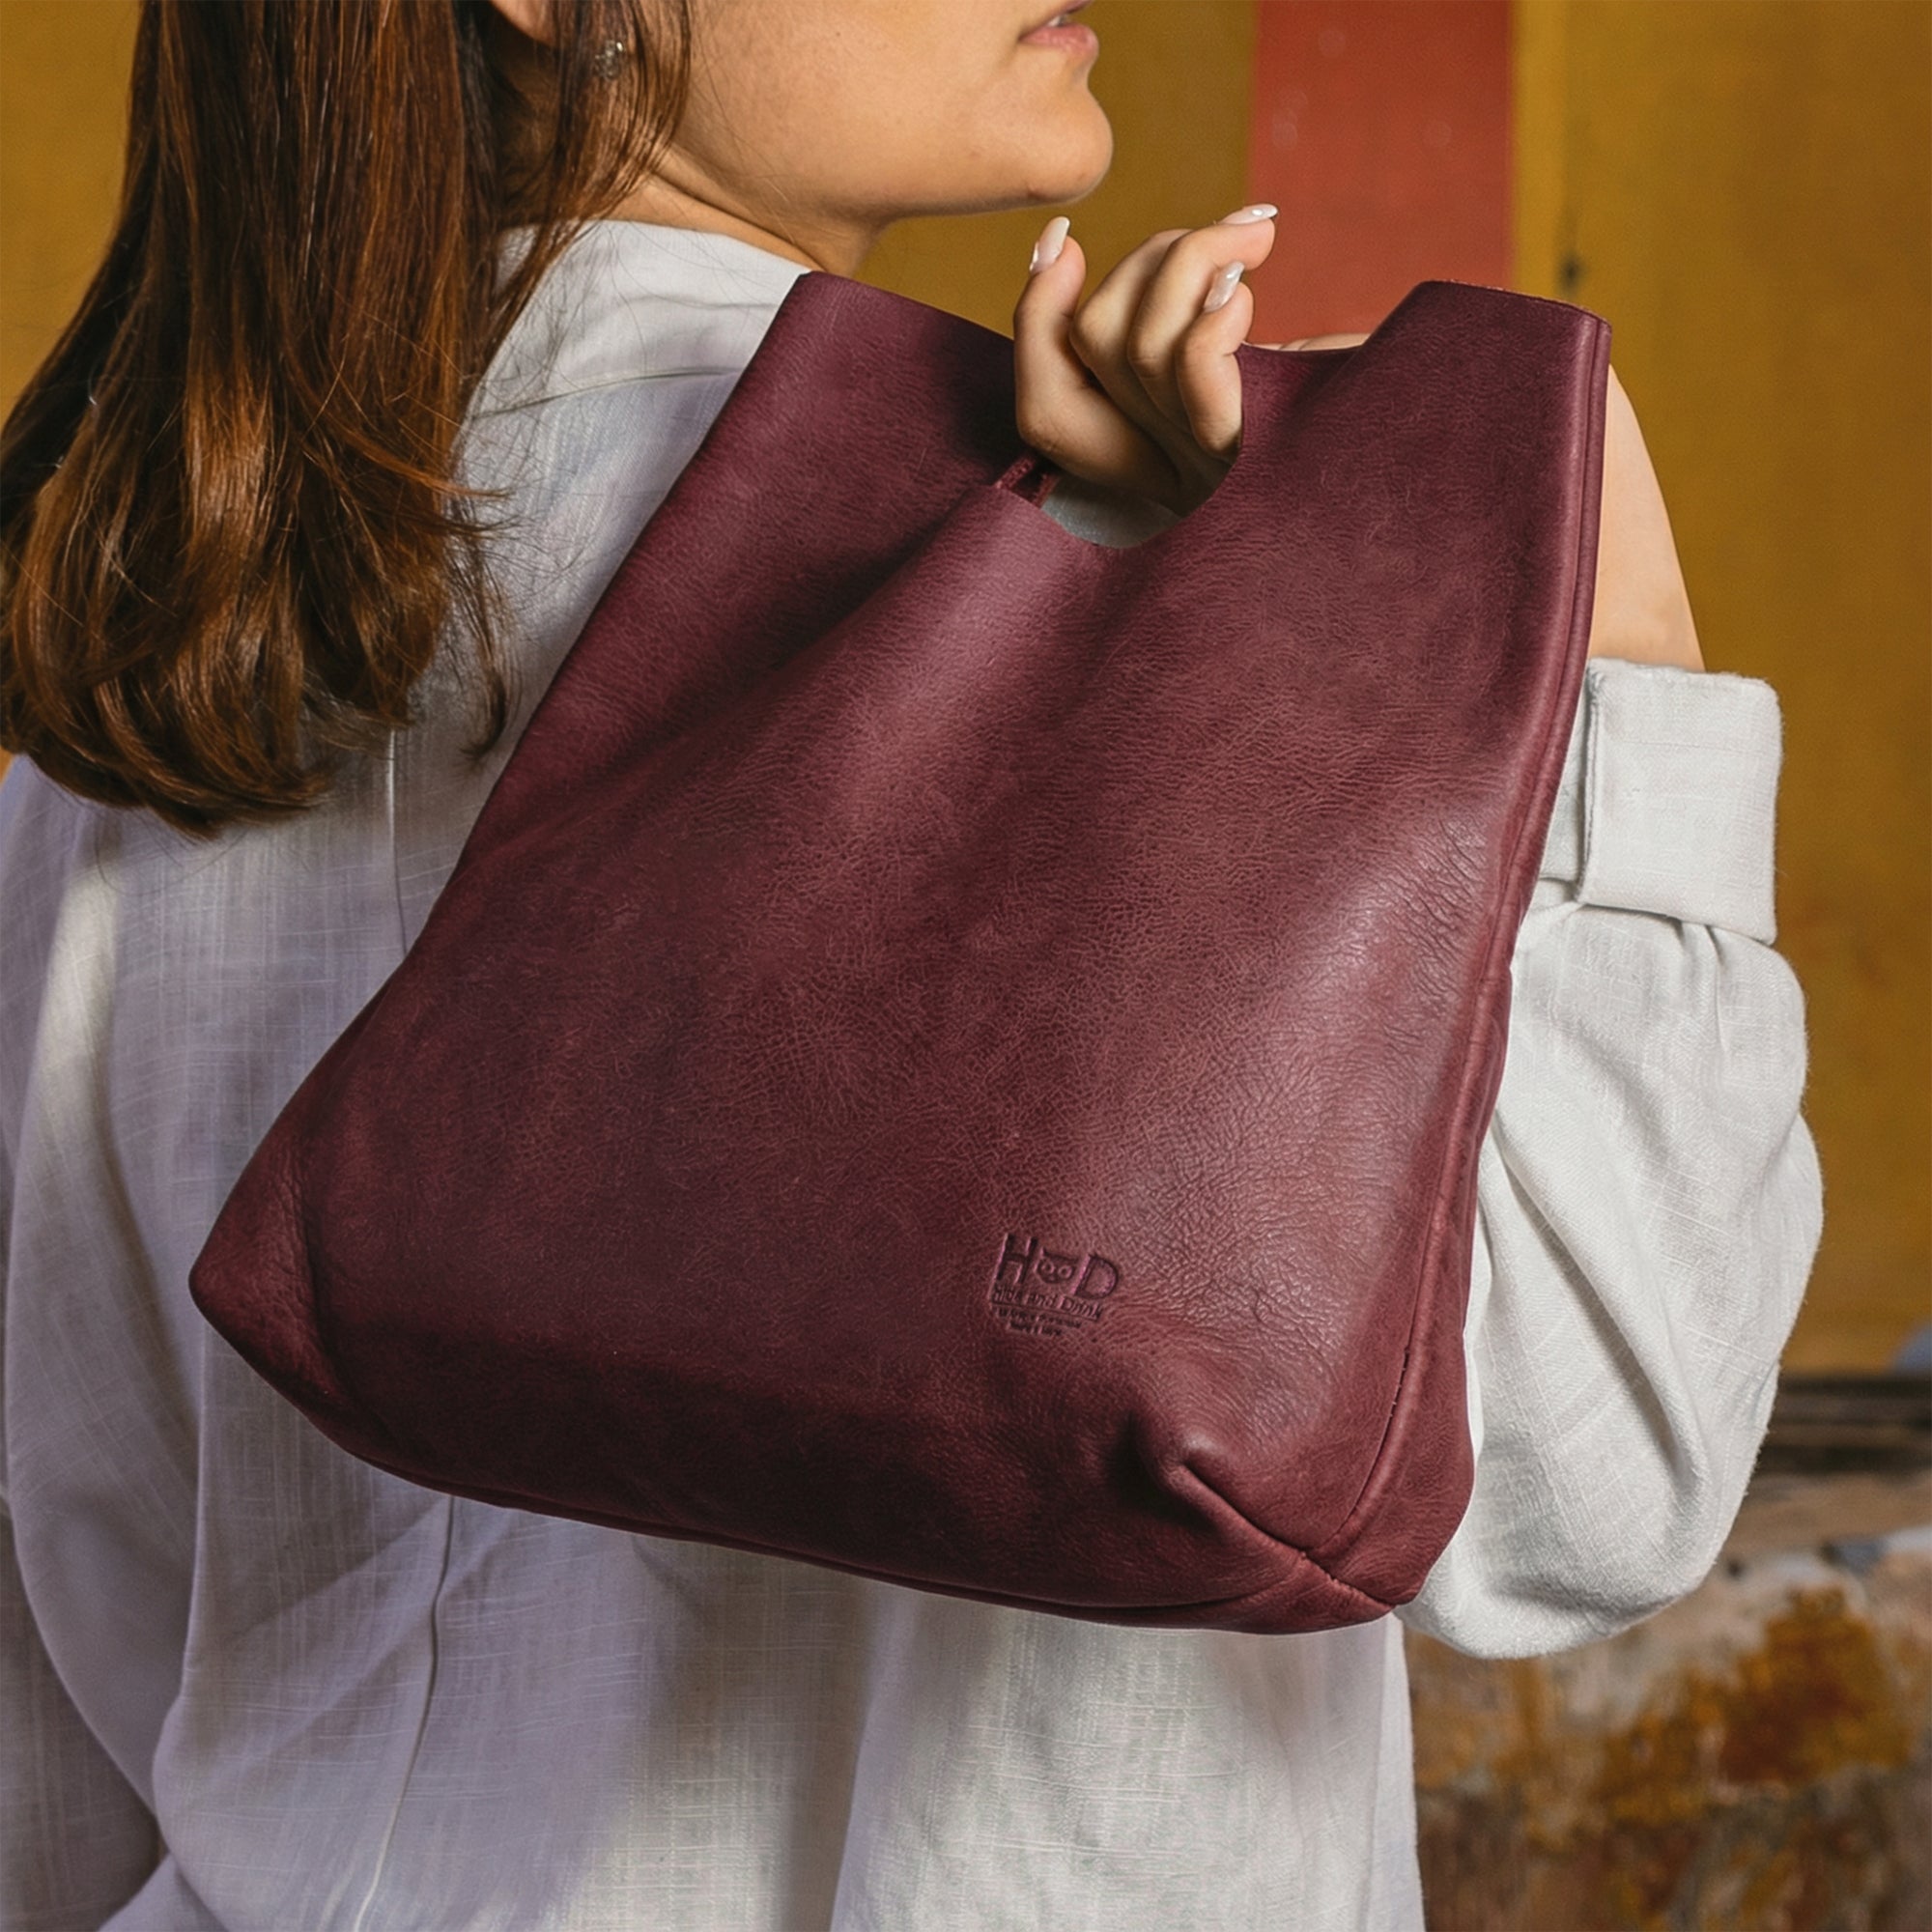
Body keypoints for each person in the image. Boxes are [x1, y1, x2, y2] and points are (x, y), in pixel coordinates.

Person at [0, 2, 1822, 1926]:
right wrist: (1586, 559)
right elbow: (1589, 1485)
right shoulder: (1161, 578)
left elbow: (59, 1685)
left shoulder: (137, 686)